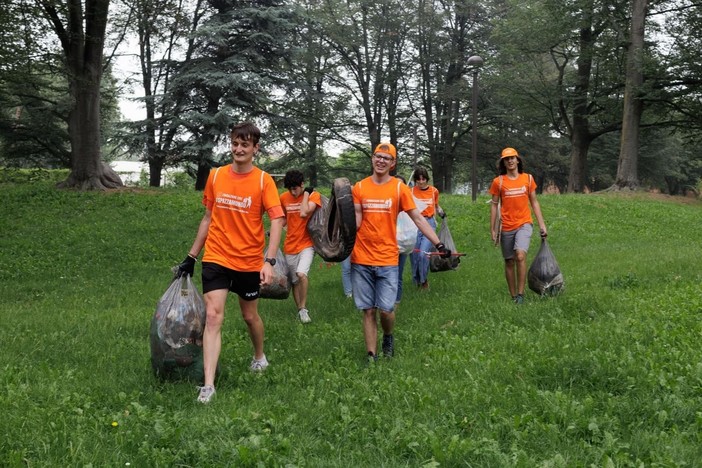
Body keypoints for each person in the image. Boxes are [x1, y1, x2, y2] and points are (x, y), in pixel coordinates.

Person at [176, 122, 285, 404]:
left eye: (245, 145)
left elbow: (277, 219)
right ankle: (208, 385)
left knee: (250, 317)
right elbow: (208, 218)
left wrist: (269, 261)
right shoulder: (216, 176)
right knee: (213, 317)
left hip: (249, 260)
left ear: (255, 149)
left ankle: (259, 356)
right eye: (235, 144)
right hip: (217, 257)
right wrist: (191, 256)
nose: (238, 149)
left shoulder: (263, 181)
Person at [351, 142, 451, 363]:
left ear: (392, 164)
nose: (381, 161)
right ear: (372, 158)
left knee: (386, 310)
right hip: (362, 257)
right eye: (378, 156)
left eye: (386, 159)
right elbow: (355, 221)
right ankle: (371, 356)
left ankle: (388, 336)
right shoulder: (359, 188)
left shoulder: (398, 189)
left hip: (388, 258)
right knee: (368, 310)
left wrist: (438, 244)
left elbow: (418, 218)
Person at [489, 147, 547, 305]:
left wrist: (542, 224)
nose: (510, 161)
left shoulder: (528, 179)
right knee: (509, 261)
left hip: (524, 223)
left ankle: (521, 294)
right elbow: (494, 205)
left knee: (520, 255)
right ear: (503, 162)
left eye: (512, 158)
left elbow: (534, 202)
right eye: (506, 159)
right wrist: (493, 229)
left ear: (518, 160)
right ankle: (513, 295)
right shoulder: (498, 182)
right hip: (506, 226)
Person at [280, 169, 322, 323]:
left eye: (295, 188)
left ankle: (304, 308)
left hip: (307, 244)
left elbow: (304, 212)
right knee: (294, 281)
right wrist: (274, 229)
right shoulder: (284, 198)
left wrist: (305, 194)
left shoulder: (313, 196)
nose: (292, 191)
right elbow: (283, 219)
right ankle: (300, 310)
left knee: (301, 274)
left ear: (302, 184)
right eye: (290, 188)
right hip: (290, 245)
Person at [409, 167, 445, 290]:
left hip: (429, 223)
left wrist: (441, 212)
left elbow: (436, 205)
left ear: (427, 179)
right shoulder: (411, 192)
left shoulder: (434, 191)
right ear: (415, 180)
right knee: (414, 255)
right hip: (414, 224)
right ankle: (416, 280)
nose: (421, 181)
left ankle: (424, 281)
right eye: (418, 179)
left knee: (423, 254)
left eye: (423, 179)